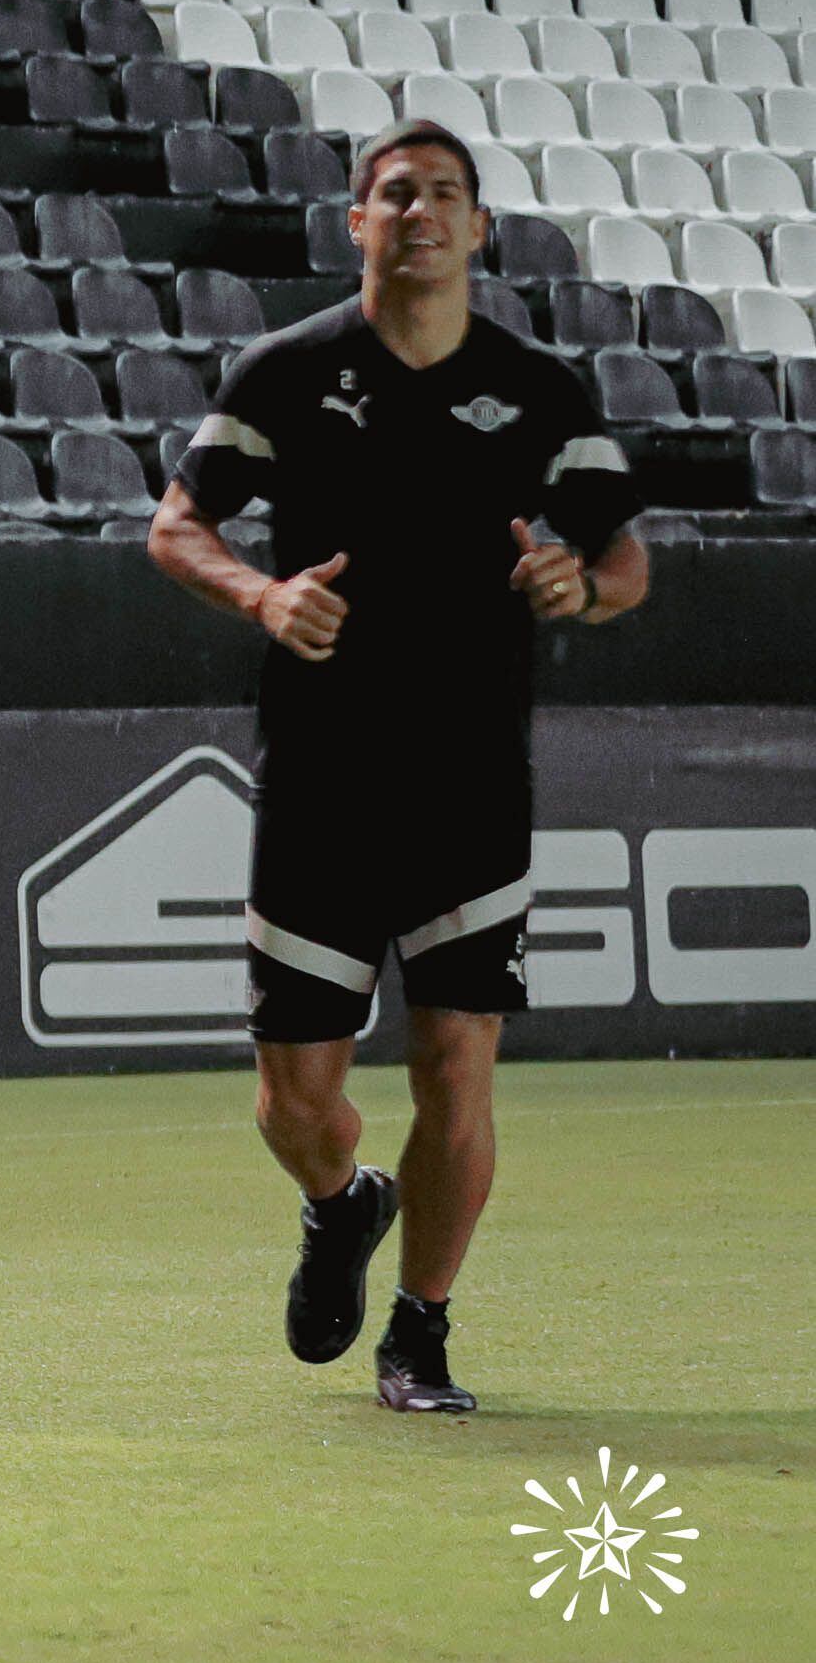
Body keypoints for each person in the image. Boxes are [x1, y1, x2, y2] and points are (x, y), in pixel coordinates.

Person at [148, 118, 649, 1414]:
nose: (416, 212)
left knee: (454, 1061)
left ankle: (419, 1334)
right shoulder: (281, 371)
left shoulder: (539, 391)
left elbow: (622, 563)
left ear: (476, 228)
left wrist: (576, 586)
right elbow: (173, 528)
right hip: (319, 784)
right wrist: (258, 599)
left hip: (471, 787)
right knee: (292, 1101)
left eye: (441, 196)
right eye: (391, 194)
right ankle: (337, 1203)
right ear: (354, 224)